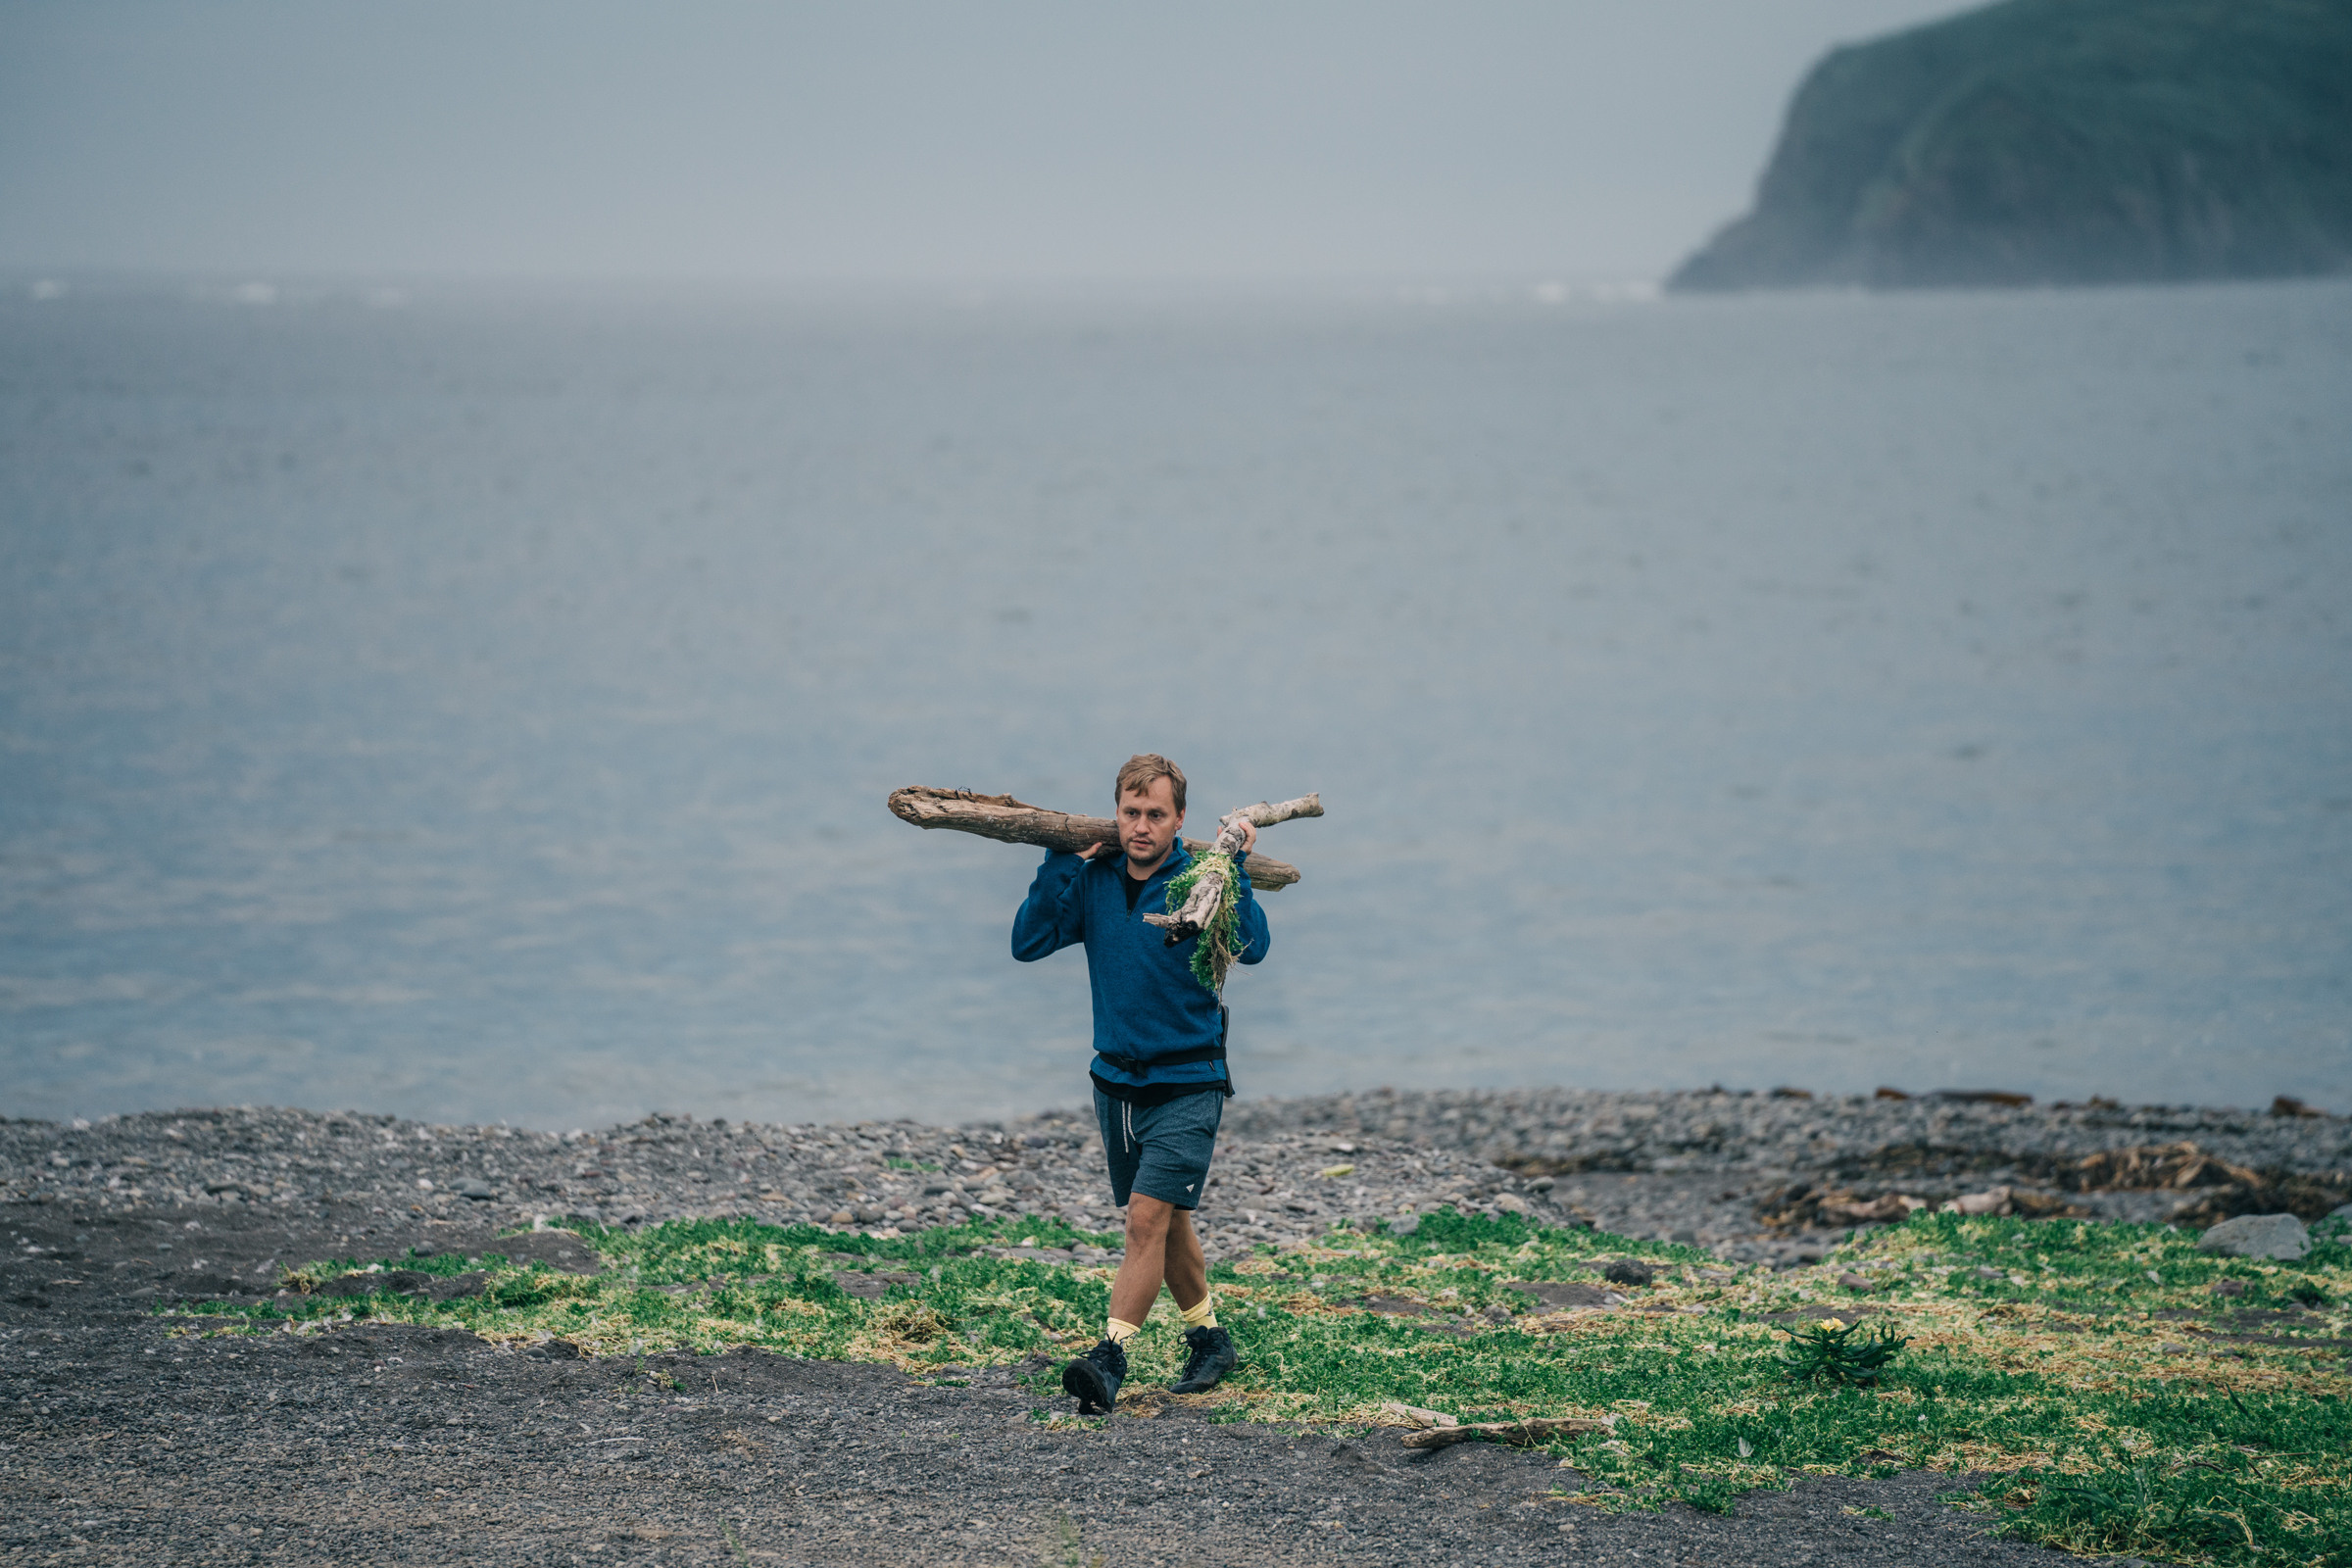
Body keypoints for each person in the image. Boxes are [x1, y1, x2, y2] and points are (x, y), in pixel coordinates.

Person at [1010, 753, 1269, 1414]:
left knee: (1144, 1220)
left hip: (1190, 1080)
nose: (1143, 826)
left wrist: (1232, 865)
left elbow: (1256, 948)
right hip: (1116, 1086)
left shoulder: (1203, 877)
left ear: (1180, 820)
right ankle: (1211, 1339)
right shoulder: (1095, 880)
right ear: (1117, 815)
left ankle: (1110, 1357)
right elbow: (1029, 941)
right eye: (1132, 813)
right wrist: (1059, 859)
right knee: (1170, 1221)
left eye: (1157, 814)